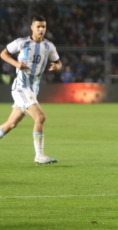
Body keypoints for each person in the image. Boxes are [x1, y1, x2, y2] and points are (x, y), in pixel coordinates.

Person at [0, 15, 62, 164]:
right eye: (38, 27)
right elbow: (3, 53)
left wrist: (57, 67)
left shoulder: (49, 46)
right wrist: (16, 64)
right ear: (32, 27)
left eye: (44, 27)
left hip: (33, 90)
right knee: (40, 117)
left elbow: (58, 62)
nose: (41, 30)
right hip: (21, 88)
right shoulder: (22, 42)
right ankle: (39, 155)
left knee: (11, 123)